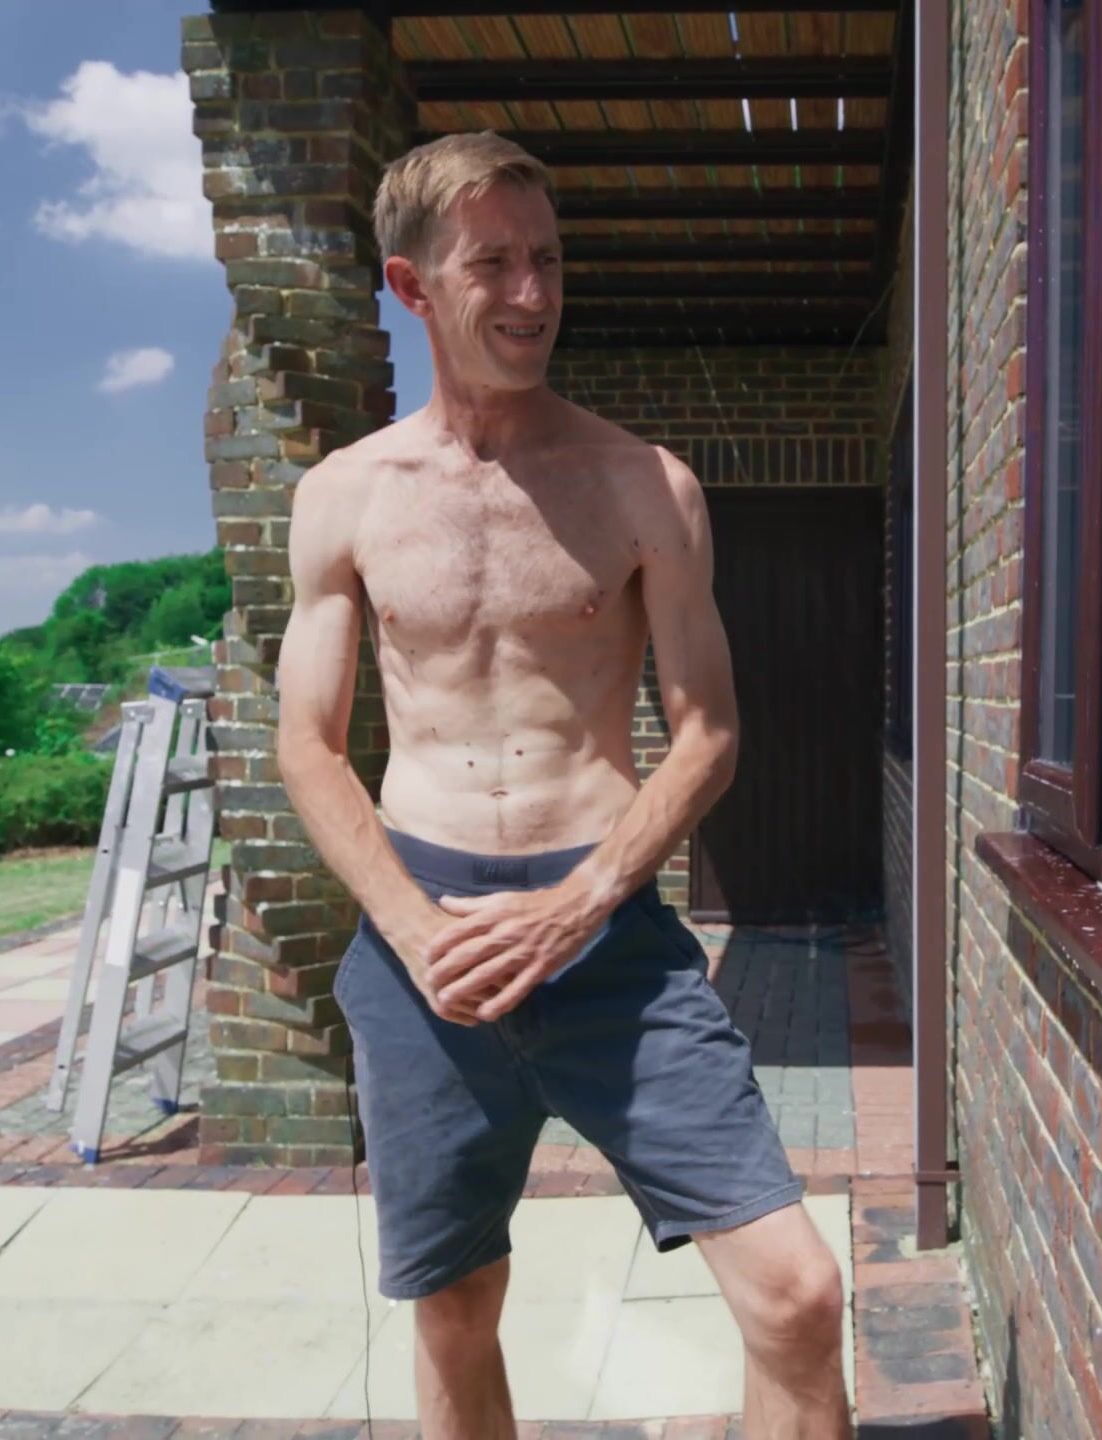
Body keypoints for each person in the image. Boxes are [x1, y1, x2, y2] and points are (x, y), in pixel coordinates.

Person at [272, 132, 852, 1440]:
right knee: (455, 1308)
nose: (533, 293)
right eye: (494, 264)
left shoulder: (645, 485)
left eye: (548, 258)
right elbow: (308, 743)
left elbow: (708, 732)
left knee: (798, 1295)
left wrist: (579, 903)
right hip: (426, 943)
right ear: (413, 287)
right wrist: (413, 930)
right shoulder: (343, 497)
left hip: (608, 940)